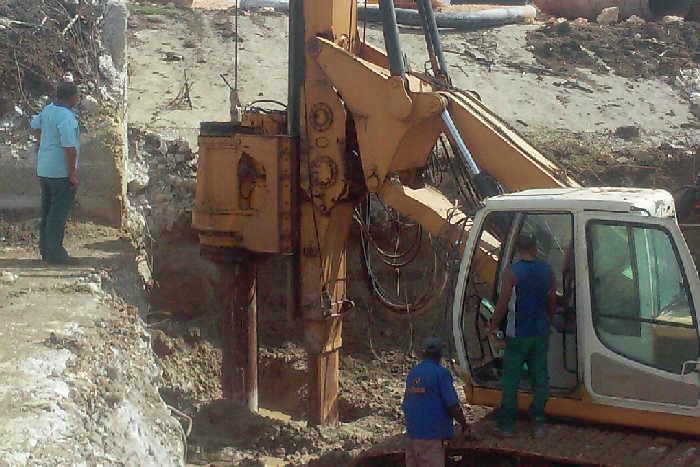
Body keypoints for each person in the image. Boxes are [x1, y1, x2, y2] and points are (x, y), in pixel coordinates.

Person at [488, 234, 556, 437]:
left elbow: (502, 303)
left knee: (511, 380)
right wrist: (549, 320)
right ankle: (539, 423)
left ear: (517, 250)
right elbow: (551, 300)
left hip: (517, 334)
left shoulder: (511, 273)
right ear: (535, 248)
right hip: (540, 332)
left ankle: (507, 425)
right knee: (540, 377)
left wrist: (492, 324)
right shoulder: (547, 271)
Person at [30, 82, 81, 264]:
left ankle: (45, 250)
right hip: (60, 173)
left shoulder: (48, 110)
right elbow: (70, 148)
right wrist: (73, 175)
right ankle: (55, 254)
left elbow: (34, 125)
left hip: (44, 169)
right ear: (72, 97)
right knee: (57, 215)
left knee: (47, 211)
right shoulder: (66, 117)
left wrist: (42, 142)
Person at [402, 336, 470, 467]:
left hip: (412, 437)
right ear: (440, 354)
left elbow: (407, 403)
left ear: (423, 353)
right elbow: (452, 405)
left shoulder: (413, 373)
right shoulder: (441, 373)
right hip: (431, 439)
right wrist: (464, 425)